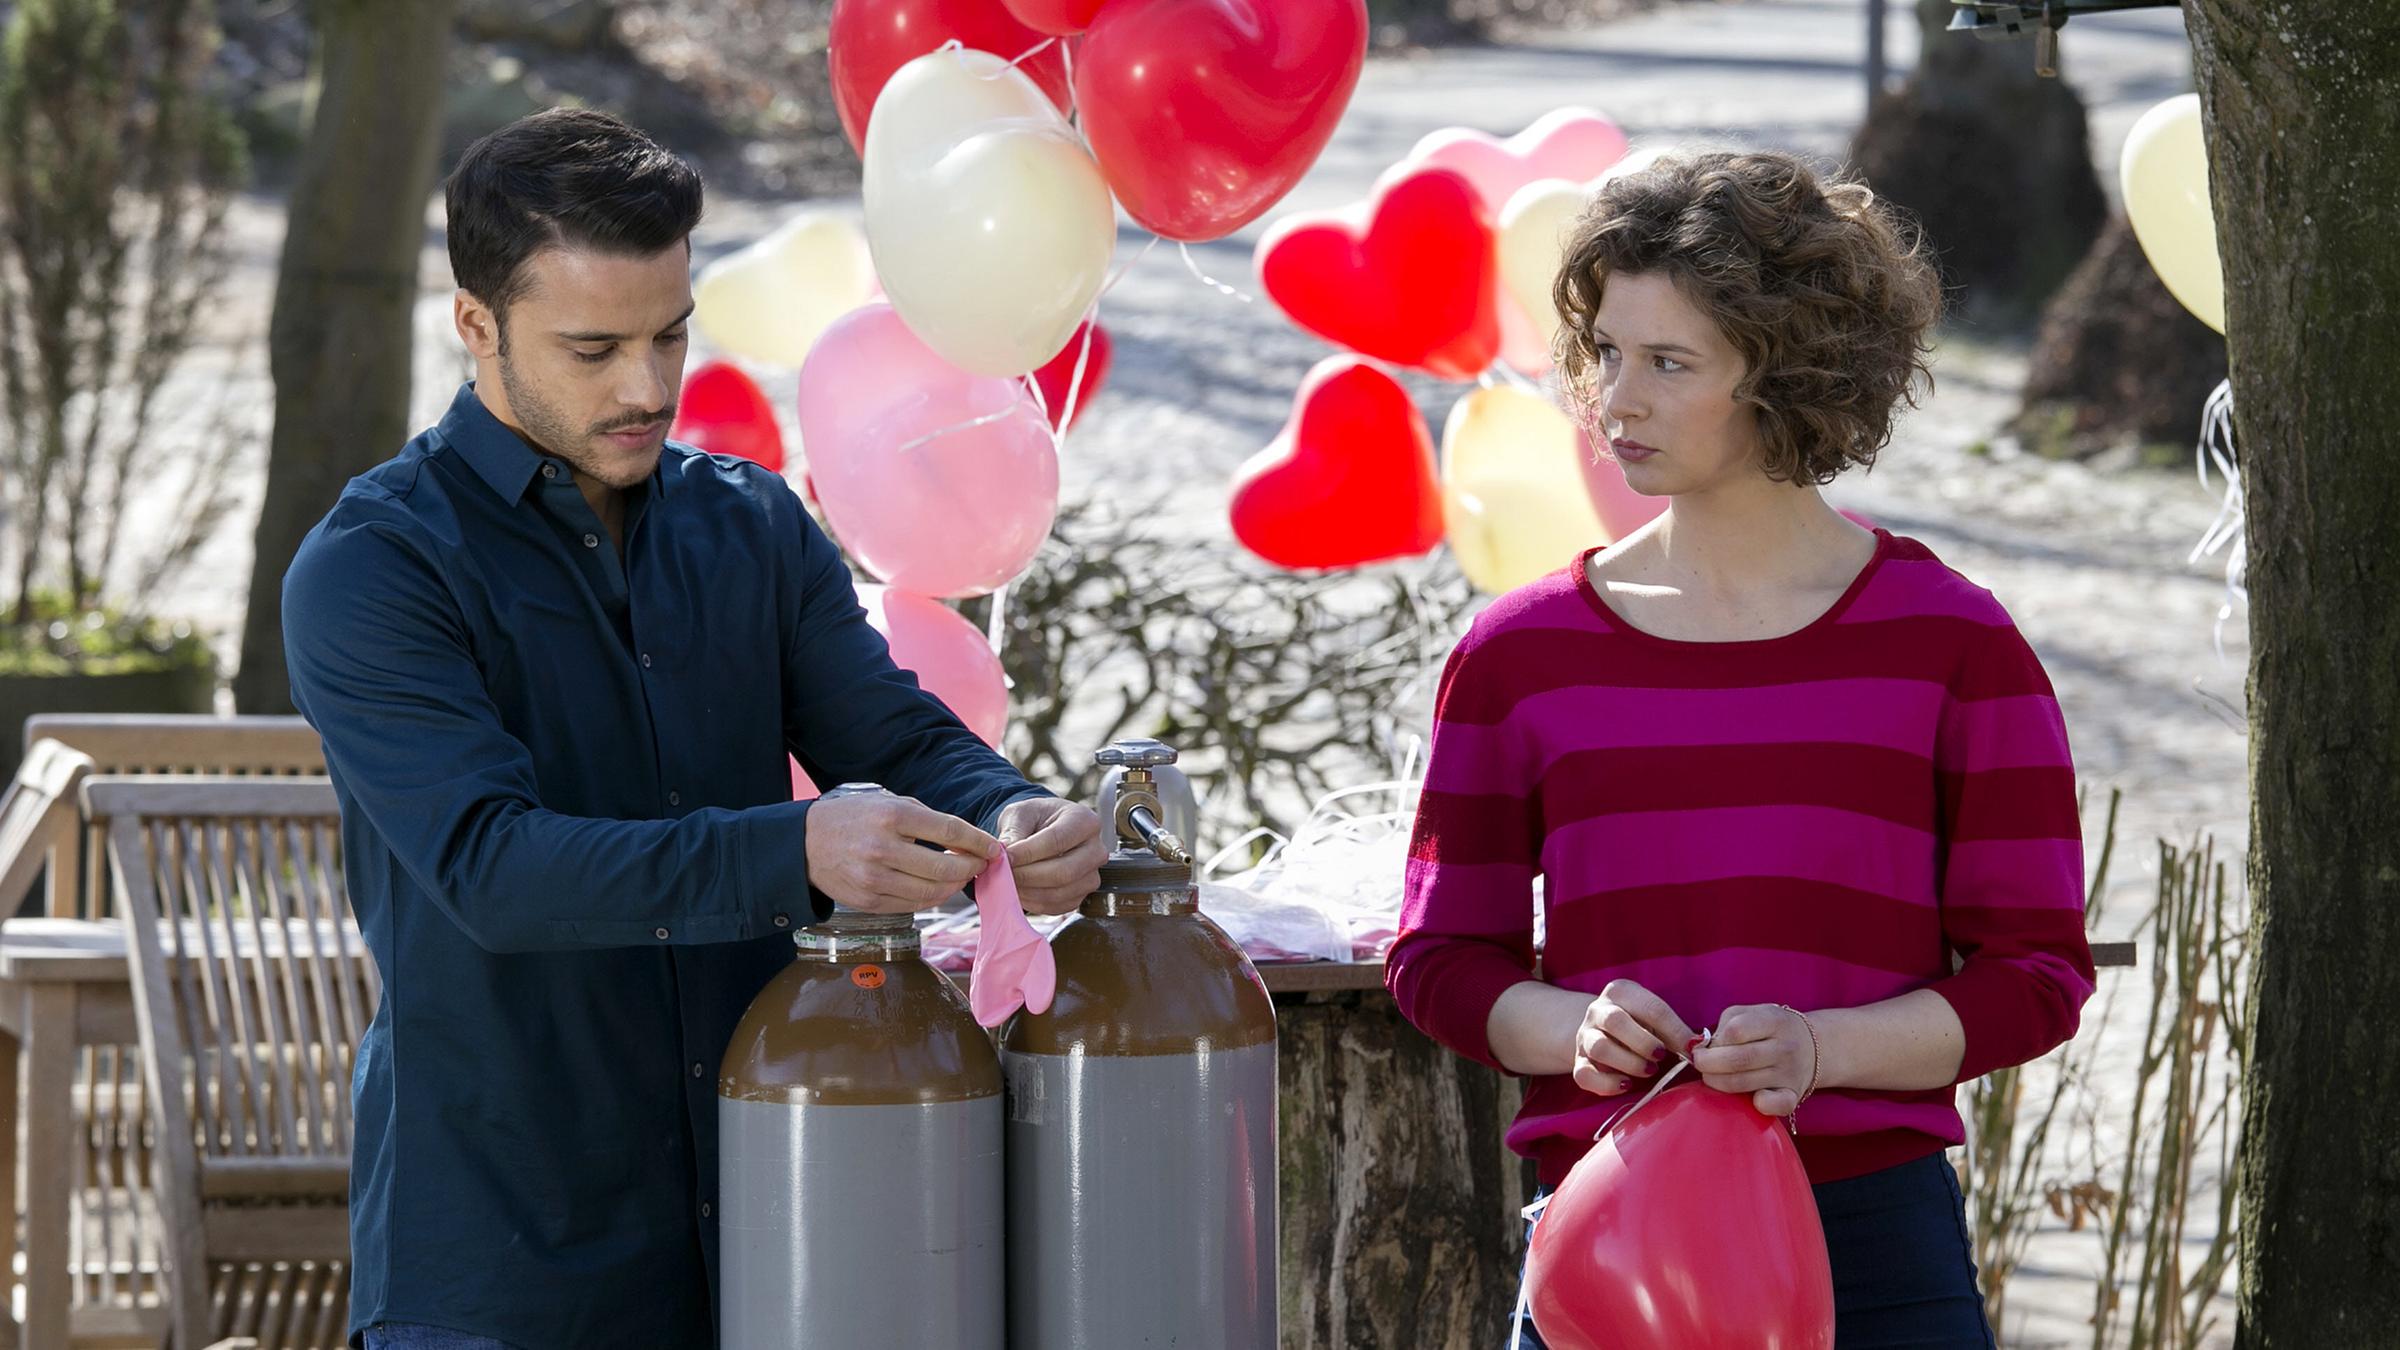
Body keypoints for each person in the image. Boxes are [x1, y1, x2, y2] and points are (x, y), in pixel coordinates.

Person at [282, 108, 1107, 1350]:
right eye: (592, 347)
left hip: (782, 1220)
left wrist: (1004, 806)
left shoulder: (755, 526)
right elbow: (492, 870)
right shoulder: (374, 567)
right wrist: (799, 853)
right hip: (506, 1261)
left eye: (670, 337)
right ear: (474, 325)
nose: (645, 387)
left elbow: (890, 732)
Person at [1384, 150, 2095, 1349]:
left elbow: (2036, 974)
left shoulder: (1953, 643)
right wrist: (1572, 1028)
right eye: (1608, 353)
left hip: (1875, 1246)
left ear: (1789, 378)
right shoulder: (1519, 655)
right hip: (1609, 1236)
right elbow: (1442, 959)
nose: (1617, 402)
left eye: (1669, 363)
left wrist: (1826, 1049)